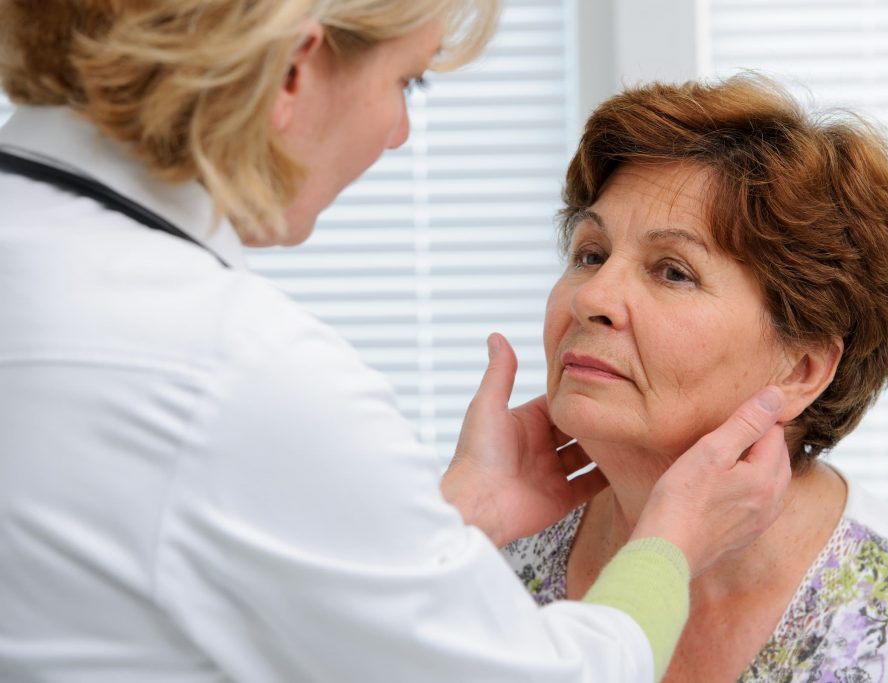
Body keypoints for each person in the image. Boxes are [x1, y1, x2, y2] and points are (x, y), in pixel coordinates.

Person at [0, 2, 793, 682]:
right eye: (404, 81)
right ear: (293, 70)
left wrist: (466, 512)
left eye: (674, 272)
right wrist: (668, 547)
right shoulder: (234, 373)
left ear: (805, 365)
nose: (398, 131)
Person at [502, 75, 888, 682]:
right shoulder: (483, 551)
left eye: (672, 272)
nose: (593, 296)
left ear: (802, 369)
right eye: (590, 253)